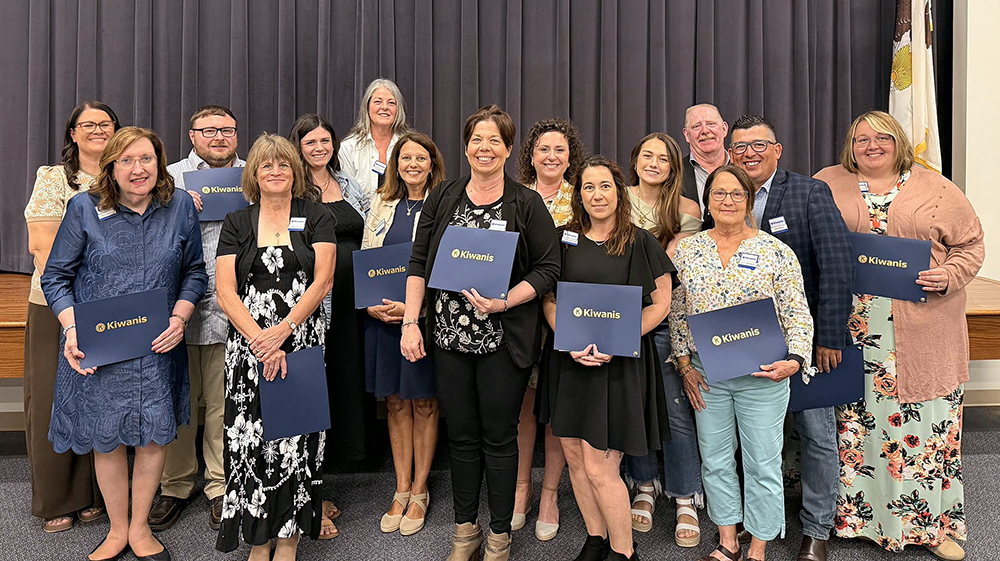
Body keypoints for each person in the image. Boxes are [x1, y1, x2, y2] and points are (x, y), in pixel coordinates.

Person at [815, 110, 985, 561]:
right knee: (855, 427)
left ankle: (932, 527)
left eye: (882, 138)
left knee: (925, 428)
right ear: (850, 145)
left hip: (923, 331)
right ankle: (852, 519)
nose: (871, 146)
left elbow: (971, 245)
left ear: (899, 142)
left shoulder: (936, 186)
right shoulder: (826, 182)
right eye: (861, 139)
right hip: (850, 332)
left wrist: (948, 275)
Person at [400, 105, 560, 561]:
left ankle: (498, 533)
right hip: (449, 338)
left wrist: (505, 301)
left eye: (494, 141)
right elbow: (418, 262)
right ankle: (464, 529)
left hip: (502, 341)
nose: (484, 148)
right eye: (476, 140)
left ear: (508, 149)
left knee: (499, 436)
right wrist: (412, 322)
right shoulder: (444, 196)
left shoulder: (525, 203)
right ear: (465, 146)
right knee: (463, 437)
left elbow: (549, 267)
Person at [42, 126, 208, 561]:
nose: (139, 169)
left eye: (147, 159)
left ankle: (140, 529)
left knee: (153, 439)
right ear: (111, 168)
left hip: (157, 347)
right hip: (100, 348)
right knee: (107, 439)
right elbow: (56, 276)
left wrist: (180, 316)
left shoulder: (179, 210)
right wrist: (72, 328)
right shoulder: (82, 208)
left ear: (160, 163)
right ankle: (116, 530)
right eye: (128, 161)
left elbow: (195, 273)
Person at [670, 165, 813, 561]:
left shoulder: (775, 251)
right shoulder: (688, 250)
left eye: (737, 194)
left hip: (763, 376)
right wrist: (684, 366)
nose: (728, 201)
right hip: (707, 375)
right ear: (708, 201)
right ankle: (728, 540)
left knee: (762, 462)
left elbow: (797, 313)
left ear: (749, 201)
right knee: (714, 459)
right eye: (719, 194)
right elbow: (677, 312)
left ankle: (760, 546)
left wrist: (795, 360)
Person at [729, 114, 854, 561]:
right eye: (740, 146)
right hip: (745, 339)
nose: (749, 153)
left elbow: (838, 266)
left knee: (817, 434)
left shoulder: (809, 192)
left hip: (808, 340)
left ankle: (817, 528)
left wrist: (830, 336)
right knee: (755, 437)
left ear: (777, 149)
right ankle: (759, 518)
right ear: (729, 155)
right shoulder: (724, 197)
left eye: (759, 144)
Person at [538, 155, 673, 561]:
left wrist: (617, 340)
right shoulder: (563, 238)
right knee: (576, 461)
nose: (597, 195)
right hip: (569, 362)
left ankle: (623, 551)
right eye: (588, 187)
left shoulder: (640, 241)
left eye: (605, 186)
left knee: (601, 468)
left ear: (619, 191)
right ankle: (596, 539)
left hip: (618, 367)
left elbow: (661, 303)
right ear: (578, 195)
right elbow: (549, 297)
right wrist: (566, 334)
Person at [214, 134, 337, 560]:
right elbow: (226, 292)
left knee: (295, 438)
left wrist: (283, 330)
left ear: (295, 171)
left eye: (283, 164)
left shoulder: (317, 216)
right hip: (248, 348)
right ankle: (257, 538)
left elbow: (323, 281)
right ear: (254, 173)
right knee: (250, 441)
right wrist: (261, 341)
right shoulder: (236, 221)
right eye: (266, 165)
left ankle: (287, 536)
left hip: (300, 342)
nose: (275, 171)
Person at [23, 100, 118, 535]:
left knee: (98, 397)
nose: (98, 130)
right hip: (56, 307)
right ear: (73, 133)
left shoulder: (128, 174)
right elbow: (42, 247)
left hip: (110, 306)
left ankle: (92, 494)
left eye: (106, 123)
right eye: (88, 124)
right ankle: (56, 498)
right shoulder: (55, 178)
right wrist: (71, 309)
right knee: (49, 400)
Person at [150, 105, 245, 533]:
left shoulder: (253, 175)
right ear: (192, 135)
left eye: (226, 130)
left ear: (237, 134)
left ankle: (219, 485)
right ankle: (175, 484)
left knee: (223, 403)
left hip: (233, 307)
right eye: (209, 131)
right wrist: (172, 203)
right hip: (175, 309)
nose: (219, 137)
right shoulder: (167, 177)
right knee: (179, 402)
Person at [289, 112, 370, 538]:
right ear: (297, 147)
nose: (319, 148)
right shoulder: (291, 189)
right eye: (311, 142)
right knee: (309, 394)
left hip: (353, 309)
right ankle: (305, 497)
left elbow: (371, 227)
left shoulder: (348, 183)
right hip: (311, 309)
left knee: (342, 386)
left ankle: (322, 484)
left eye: (325, 141)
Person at [362, 131, 446, 537]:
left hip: (423, 322)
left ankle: (420, 488)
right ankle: (399, 487)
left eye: (420, 159)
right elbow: (366, 259)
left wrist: (415, 311)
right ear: (395, 164)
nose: (412, 165)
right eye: (405, 158)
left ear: (433, 164)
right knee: (395, 403)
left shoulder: (445, 204)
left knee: (425, 404)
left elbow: (449, 268)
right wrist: (371, 303)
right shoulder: (380, 202)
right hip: (382, 321)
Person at [622, 132, 704, 546]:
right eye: (646, 155)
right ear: (634, 161)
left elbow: (670, 267)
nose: (653, 163)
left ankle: (685, 493)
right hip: (619, 315)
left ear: (674, 167)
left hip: (666, 318)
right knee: (633, 407)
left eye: (663, 158)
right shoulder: (615, 196)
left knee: (674, 410)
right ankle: (643, 484)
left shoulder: (686, 208)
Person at [510, 117, 586, 541]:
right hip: (518, 315)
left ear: (569, 157)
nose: (552, 156)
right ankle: (522, 489)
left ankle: (551, 494)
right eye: (543, 150)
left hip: (566, 313)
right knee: (523, 405)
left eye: (560, 150)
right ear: (531, 156)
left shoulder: (582, 200)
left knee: (555, 408)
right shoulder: (514, 198)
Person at [339, 78, 412, 200]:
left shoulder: (410, 146)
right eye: (378, 102)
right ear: (367, 107)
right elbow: (347, 196)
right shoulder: (348, 148)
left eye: (391, 103)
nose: (384, 107)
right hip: (361, 217)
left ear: (398, 110)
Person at [680, 104, 730, 219]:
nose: (705, 131)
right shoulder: (673, 173)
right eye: (697, 126)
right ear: (687, 135)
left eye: (711, 124)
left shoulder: (743, 169)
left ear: (724, 129)